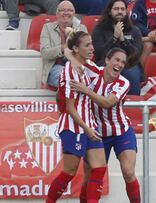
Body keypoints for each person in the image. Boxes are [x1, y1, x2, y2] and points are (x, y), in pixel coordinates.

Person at [70, 48, 140, 203]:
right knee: (89, 178)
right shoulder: (93, 70)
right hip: (97, 134)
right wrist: (71, 42)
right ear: (107, 60)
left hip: (121, 132)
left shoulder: (123, 82)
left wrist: (86, 90)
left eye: (123, 62)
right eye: (117, 60)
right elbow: (72, 54)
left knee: (128, 172)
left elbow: (107, 103)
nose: (120, 64)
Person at [46, 28, 107, 202]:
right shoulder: (69, 71)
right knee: (69, 173)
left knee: (99, 167)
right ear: (76, 49)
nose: (92, 48)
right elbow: (69, 107)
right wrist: (86, 127)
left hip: (89, 126)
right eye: (87, 45)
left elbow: (101, 73)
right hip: (74, 127)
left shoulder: (85, 66)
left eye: (92, 44)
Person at [92, 0, 144, 95]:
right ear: (109, 11)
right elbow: (99, 53)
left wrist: (123, 40)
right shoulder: (99, 29)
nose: (120, 11)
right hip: (105, 63)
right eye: (116, 9)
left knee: (131, 74)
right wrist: (114, 38)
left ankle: (134, 107)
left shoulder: (134, 30)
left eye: (122, 9)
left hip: (129, 64)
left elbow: (136, 54)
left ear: (126, 12)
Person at [40, 0, 87, 88]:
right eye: (62, 10)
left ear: (74, 14)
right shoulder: (47, 28)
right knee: (67, 78)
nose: (66, 13)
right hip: (56, 66)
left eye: (70, 10)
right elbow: (45, 53)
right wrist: (64, 47)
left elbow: (87, 52)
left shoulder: (82, 28)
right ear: (57, 14)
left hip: (77, 64)